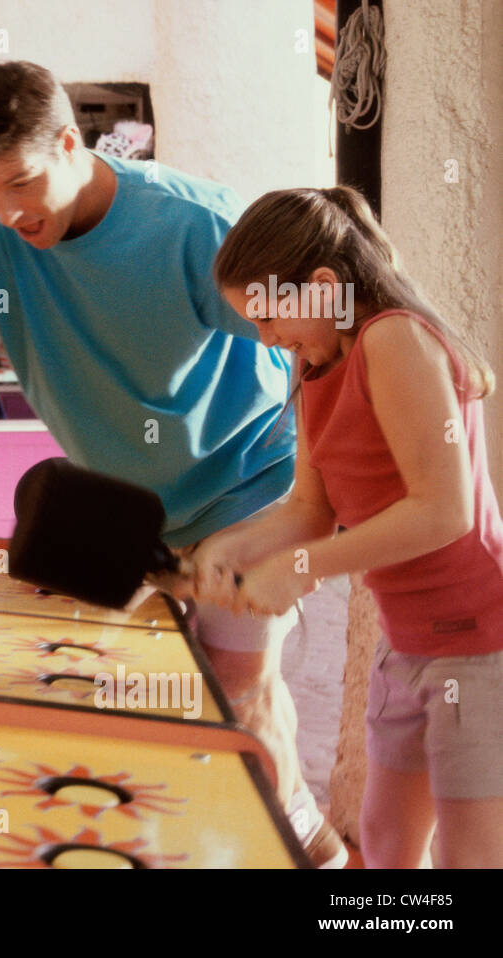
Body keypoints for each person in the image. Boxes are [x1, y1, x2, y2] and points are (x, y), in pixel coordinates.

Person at [0, 60, 346, 867]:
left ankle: (289, 859)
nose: (8, 212)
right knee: (152, 696)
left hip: (249, 491)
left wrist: (318, 511)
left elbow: (324, 345)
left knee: (231, 687)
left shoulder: (195, 224)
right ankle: (305, 840)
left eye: (21, 182)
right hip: (127, 514)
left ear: (70, 143)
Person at [195, 185, 503, 868]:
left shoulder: (393, 338)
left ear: (325, 285)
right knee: (386, 844)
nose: (269, 341)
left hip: (481, 644)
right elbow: (309, 510)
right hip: (407, 642)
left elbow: (441, 511)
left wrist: (298, 569)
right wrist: (227, 550)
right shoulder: (312, 366)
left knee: (469, 857)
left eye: (271, 320)